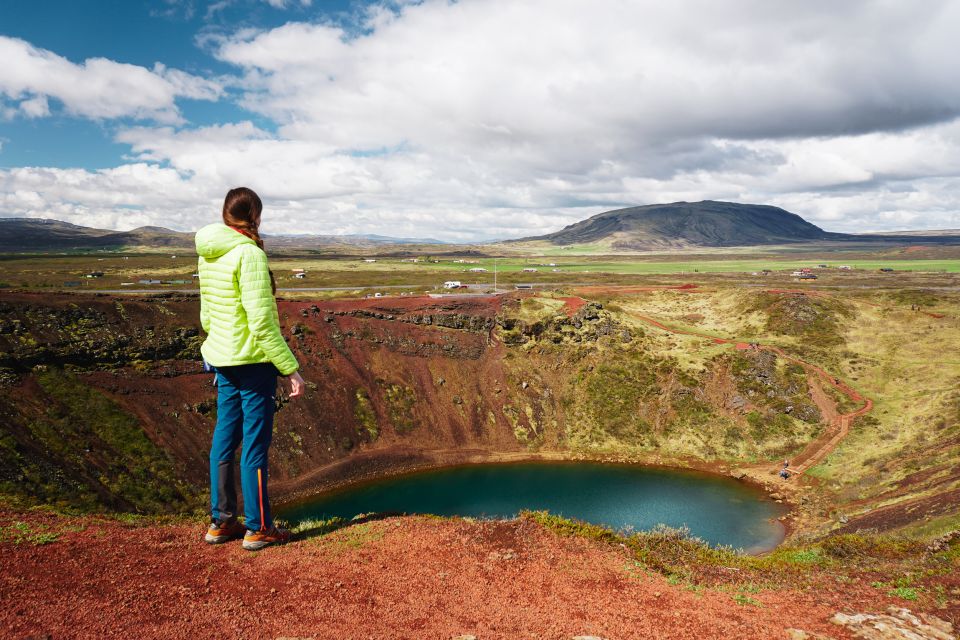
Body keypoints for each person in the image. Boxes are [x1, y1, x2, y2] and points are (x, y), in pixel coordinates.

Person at [195, 187, 305, 550]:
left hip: (223, 358)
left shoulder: (209, 251)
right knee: (255, 446)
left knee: (224, 440)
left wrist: (217, 347)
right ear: (254, 215)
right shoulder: (249, 254)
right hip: (253, 362)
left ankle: (220, 522)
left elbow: (207, 313)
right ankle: (258, 528)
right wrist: (289, 368)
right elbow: (261, 322)